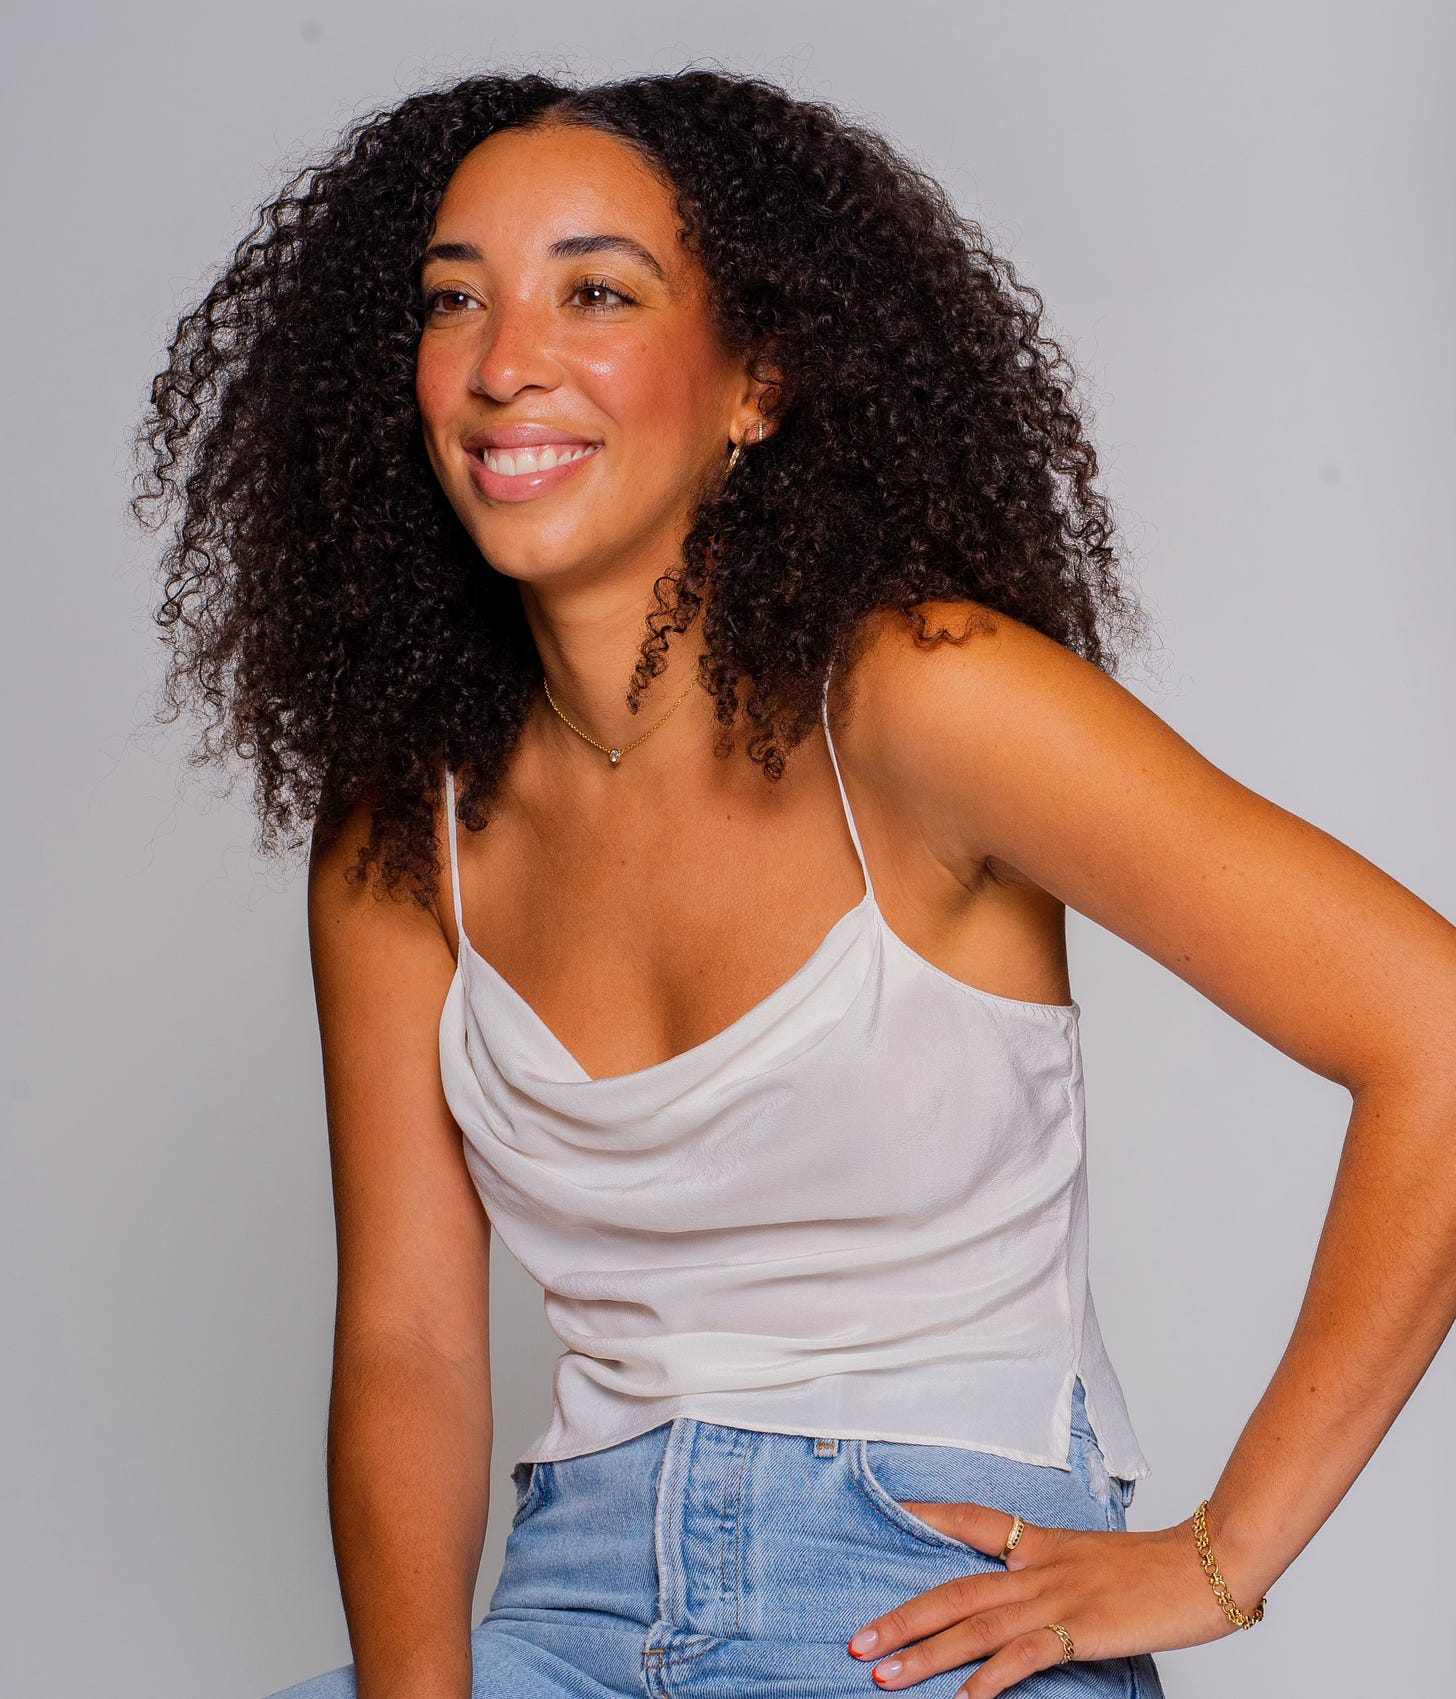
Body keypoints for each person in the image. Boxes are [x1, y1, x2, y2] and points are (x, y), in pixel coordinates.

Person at [131, 67, 1456, 1699]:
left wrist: (1219, 1558)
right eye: (452, 301)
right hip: (571, 1612)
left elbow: (1437, 1033)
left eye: (594, 292)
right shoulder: (407, 832)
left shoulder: (924, 700)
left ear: (755, 378)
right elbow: (410, 1349)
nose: (503, 364)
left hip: (920, 1605)